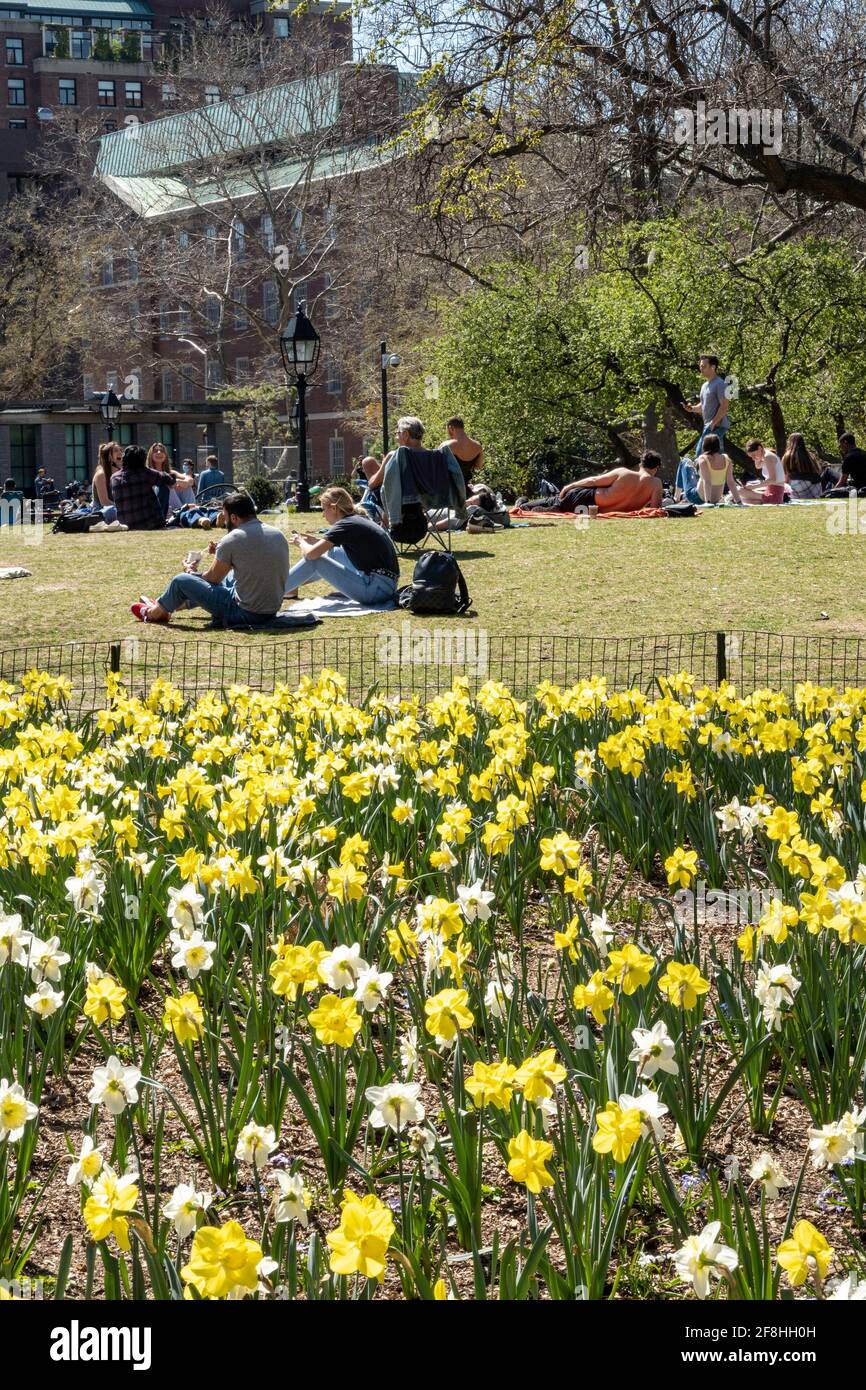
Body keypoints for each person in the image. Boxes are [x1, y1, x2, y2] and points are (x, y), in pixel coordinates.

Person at [132, 491, 289, 626]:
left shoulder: (233, 538)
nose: (224, 522)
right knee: (229, 576)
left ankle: (154, 613)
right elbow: (254, 560)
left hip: (245, 613)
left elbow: (212, 579)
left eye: (225, 517)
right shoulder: (277, 534)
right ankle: (167, 605)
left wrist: (190, 572)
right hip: (270, 610)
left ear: (234, 518)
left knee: (181, 580)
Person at [285, 486, 399, 605]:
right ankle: (290, 587)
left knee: (316, 560)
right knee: (332, 552)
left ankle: (276, 590)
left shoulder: (345, 524)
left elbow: (311, 554)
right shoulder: (357, 519)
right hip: (385, 587)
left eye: (324, 509)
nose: (323, 515)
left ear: (334, 508)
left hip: (374, 590)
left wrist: (300, 542)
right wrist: (317, 541)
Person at [559, 451, 664, 513]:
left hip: (584, 498)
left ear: (641, 464)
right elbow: (654, 510)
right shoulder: (656, 483)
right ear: (656, 468)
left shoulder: (624, 472)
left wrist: (571, 485)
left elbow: (594, 481)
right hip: (590, 506)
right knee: (552, 506)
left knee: (552, 504)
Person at [110, 444, 167, 530]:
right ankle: (162, 519)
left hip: (125, 524)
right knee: (164, 486)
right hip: (149, 523)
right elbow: (168, 480)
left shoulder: (114, 477)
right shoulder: (145, 473)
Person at [685, 355, 731, 458]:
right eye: (700, 366)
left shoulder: (721, 384)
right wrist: (692, 408)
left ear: (713, 367)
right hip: (709, 425)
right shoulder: (704, 385)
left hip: (717, 425)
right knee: (715, 456)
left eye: (703, 366)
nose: (701, 369)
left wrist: (713, 423)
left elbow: (724, 406)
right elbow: (703, 405)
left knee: (701, 454)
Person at [696, 434, 744, 504]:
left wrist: (707, 503)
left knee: (684, 462)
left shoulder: (703, 458)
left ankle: (676, 497)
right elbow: (731, 482)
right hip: (716, 499)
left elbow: (707, 481)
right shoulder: (727, 459)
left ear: (704, 445)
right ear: (718, 445)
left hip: (699, 497)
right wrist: (739, 502)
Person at [439, 417, 484, 488]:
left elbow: (436, 468)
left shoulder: (446, 445)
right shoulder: (478, 446)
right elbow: (479, 466)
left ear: (451, 428)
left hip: (447, 489)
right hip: (464, 488)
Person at [739, 439, 786, 504]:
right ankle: (762, 501)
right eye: (751, 456)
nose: (753, 458)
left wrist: (753, 487)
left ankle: (764, 501)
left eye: (754, 455)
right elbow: (758, 466)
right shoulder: (765, 455)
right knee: (744, 499)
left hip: (774, 495)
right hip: (773, 493)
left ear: (759, 448)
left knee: (739, 491)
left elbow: (772, 479)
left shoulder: (768, 457)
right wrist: (757, 458)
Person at [781, 433, 822, 498]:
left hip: (798, 486)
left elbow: (786, 476)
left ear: (790, 442)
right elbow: (818, 470)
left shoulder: (788, 456)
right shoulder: (810, 455)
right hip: (816, 485)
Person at [92, 440, 122, 522]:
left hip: (118, 508)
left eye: (120, 450)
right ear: (109, 456)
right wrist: (122, 508)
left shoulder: (121, 472)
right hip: (103, 511)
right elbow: (104, 502)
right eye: (116, 451)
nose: (120, 453)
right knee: (112, 511)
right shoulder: (101, 474)